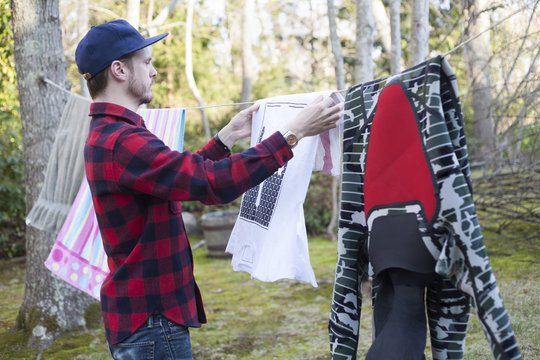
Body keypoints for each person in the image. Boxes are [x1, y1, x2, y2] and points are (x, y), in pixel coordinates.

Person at [75, 19, 342, 360]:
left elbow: (176, 180)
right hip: (152, 321)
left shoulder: (114, 135)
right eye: (147, 62)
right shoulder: (121, 141)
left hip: (144, 319)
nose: (154, 71)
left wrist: (225, 138)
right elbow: (212, 184)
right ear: (119, 70)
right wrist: (290, 135)